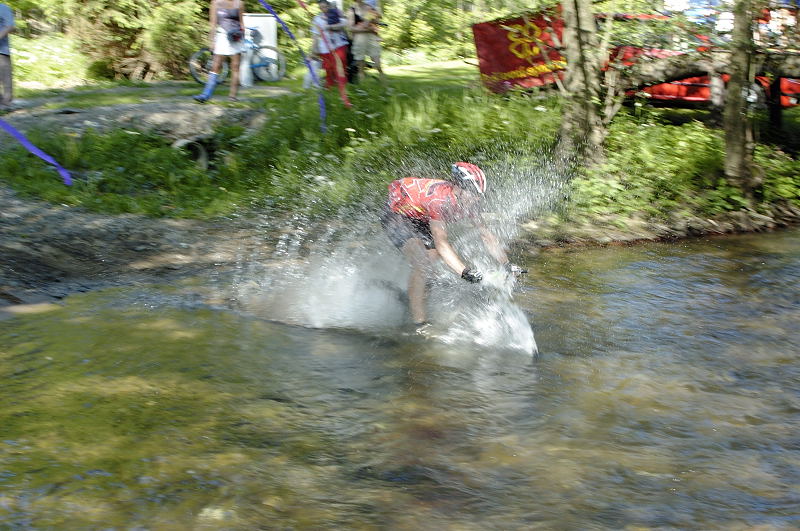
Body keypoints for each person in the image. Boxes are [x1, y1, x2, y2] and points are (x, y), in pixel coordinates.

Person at [381, 162, 526, 331]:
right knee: (422, 262)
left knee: (431, 262)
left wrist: (506, 264)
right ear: (458, 187)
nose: (476, 198)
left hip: (420, 216)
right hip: (396, 214)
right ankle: (420, 325)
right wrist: (464, 272)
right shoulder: (440, 200)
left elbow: (486, 235)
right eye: (473, 193)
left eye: (479, 195)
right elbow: (442, 243)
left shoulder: (471, 201)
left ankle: (414, 295)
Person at [194, 0, 246, 103]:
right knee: (216, 66)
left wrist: (243, 36)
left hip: (236, 37)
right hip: (222, 36)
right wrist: (212, 41)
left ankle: (233, 96)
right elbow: (213, 24)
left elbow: (241, 23)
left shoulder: (239, 3)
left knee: (235, 66)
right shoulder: (216, 3)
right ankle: (206, 95)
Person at [311, 0, 349, 100]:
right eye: (321, 7)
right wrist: (313, 50)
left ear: (329, 6)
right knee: (329, 68)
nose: (323, 9)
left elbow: (345, 23)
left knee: (341, 65)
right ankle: (330, 87)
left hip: (338, 45)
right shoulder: (317, 19)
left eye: (325, 7)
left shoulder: (336, 14)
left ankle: (343, 87)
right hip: (325, 47)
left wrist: (330, 26)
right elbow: (315, 35)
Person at [347, 0, 385, 83]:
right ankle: (363, 87)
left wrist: (372, 21)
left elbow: (377, 21)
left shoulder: (370, 7)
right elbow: (350, 28)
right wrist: (367, 29)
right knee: (360, 67)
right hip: (359, 39)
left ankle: (385, 85)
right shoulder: (352, 10)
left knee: (378, 64)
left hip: (372, 38)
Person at [0, 2, 15, 110]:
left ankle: (7, 103)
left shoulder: (4, 8)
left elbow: (10, 26)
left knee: (5, 77)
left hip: (1, 50)